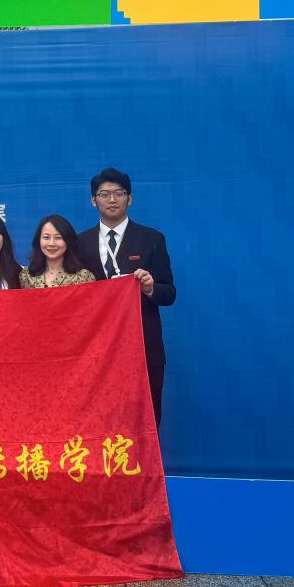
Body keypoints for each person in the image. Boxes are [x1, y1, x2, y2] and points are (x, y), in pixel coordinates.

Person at [76, 167, 176, 425]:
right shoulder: (79, 243)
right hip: (96, 351)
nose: (112, 200)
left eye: (118, 193)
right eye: (104, 194)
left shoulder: (151, 239)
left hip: (142, 347)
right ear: (93, 200)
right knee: (99, 421)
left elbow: (169, 293)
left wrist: (150, 288)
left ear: (129, 198)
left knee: (145, 420)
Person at [19, 214, 95, 288]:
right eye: (46, 237)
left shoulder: (83, 277)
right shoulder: (26, 276)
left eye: (58, 237)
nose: (51, 243)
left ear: (68, 240)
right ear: (38, 240)